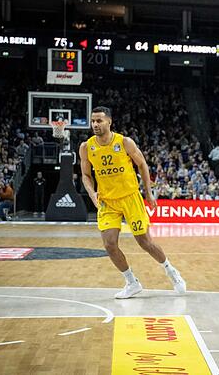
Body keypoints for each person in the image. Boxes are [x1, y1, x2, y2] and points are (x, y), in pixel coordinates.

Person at [79, 106, 186, 299]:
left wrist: (149, 193)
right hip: (107, 202)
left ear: (109, 121)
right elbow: (86, 175)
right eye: (93, 121)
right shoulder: (86, 147)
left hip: (130, 197)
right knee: (109, 244)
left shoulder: (124, 142)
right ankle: (131, 282)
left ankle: (171, 271)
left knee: (144, 242)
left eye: (99, 120)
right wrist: (92, 194)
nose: (95, 124)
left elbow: (142, 164)